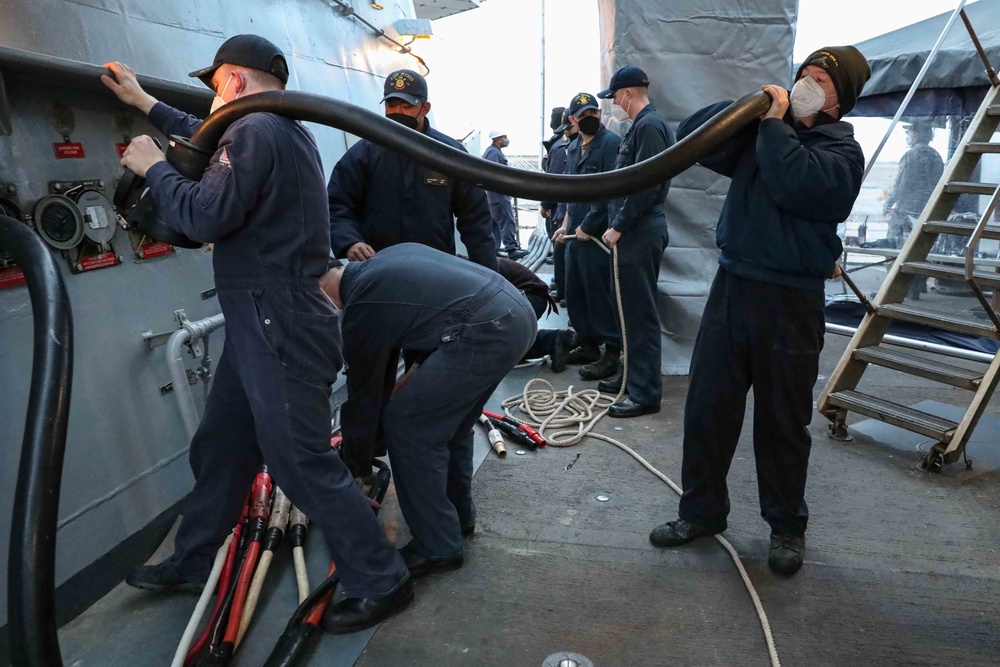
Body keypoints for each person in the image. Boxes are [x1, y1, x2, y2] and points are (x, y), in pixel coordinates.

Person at [102, 34, 413, 632]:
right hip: (261, 317)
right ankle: (193, 559)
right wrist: (145, 101)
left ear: (235, 83)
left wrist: (155, 167)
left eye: (216, 84)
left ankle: (382, 579)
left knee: (298, 462)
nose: (216, 97)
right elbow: (209, 132)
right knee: (223, 446)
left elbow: (203, 215)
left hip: (279, 319)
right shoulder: (279, 127)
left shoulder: (253, 131)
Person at [648, 46, 871, 577]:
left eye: (821, 79)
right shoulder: (767, 133)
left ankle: (787, 527)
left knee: (782, 422)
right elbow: (697, 140)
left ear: (842, 100)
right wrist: (749, 106)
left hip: (790, 301)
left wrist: (773, 127)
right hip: (734, 287)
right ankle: (701, 513)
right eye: (803, 75)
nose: (806, 83)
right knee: (708, 409)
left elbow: (798, 184)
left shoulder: (840, 152)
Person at [320, 244, 536, 577]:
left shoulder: (362, 305)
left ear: (321, 291)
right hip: (515, 313)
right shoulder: (383, 262)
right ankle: (458, 514)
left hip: (485, 328)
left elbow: (364, 397)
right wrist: (414, 375)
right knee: (452, 423)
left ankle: (437, 546)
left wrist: (356, 472)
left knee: (409, 427)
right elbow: (425, 315)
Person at [328, 69, 497, 271]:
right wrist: (350, 242)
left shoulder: (451, 155)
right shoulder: (363, 153)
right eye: (392, 105)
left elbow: (476, 221)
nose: (398, 111)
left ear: (424, 108)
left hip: (436, 271)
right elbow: (336, 206)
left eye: (407, 106)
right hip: (377, 271)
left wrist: (489, 276)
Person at [597, 66, 675, 416]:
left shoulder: (648, 126)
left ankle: (645, 394)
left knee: (640, 315)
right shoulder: (642, 127)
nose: (614, 103)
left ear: (627, 93)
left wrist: (619, 226)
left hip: (640, 231)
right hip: (635, 231)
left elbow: (647, 183)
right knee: (628, 312)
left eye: (614, 96)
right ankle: (631, 377)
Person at [553, 92, 623, 381]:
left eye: (593, 113)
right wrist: (567, 224)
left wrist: (589, 226)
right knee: (575, 291)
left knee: (599, 295)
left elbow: (610, 192)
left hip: (596, 236)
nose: (590, 118)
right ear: (573, 120)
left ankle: (611, 353)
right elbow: (572, 191)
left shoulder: (610, 145)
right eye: (583, 116)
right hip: (575, 234)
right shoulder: (572, 148)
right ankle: (588, 345)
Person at [885, 120, 943, 299]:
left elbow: (901, 184)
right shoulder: (936, 156)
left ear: (916, 134)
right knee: (920, 251)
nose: (908, 136)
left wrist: (888, 202)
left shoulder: (910, 155)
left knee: (895, 249)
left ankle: (893, 290)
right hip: (926, 210)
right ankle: (916, 288)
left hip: (906, 211)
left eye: (909, 133)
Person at [496, 257, 574, 371]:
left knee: (499, 348)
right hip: (524, 296)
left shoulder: (480, 268)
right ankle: (553, 340)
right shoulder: (471, 267)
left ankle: (552, 340)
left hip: (532, 296)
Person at [541, 111, 575, 304]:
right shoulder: (568, 146)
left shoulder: (560, 147)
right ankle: (563, 288)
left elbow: (553, 180)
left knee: (561, 250)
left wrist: (546, 204)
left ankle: (563, 290)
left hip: (562, 209)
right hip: (565, 208)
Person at [483, 130, 527, 259]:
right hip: (498, 194)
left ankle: (494, 250)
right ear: (497, 139)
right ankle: (511, 249)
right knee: (507, 220)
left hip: (495, 194)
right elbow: (496, 174)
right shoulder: (493, 153)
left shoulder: (492, 152)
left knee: (496, 223)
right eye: (504, 137)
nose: (506, 140)